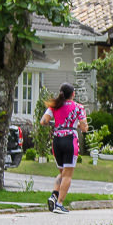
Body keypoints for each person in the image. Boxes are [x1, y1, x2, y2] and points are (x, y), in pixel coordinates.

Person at [39, 83, 88, 214]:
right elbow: (84, 128)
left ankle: (54, 196)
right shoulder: (78, 107)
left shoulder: (54, 106)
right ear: (73, 94)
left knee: (62, 173)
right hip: (70, 140)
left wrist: (57, 123)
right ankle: (60, 204)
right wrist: (78, 125)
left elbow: (43, 121)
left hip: (57, 140)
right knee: (68, 174)